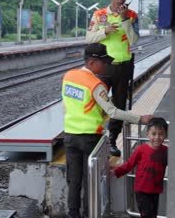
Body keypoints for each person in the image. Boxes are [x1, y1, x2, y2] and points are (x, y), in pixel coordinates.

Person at [62, 43, 152, 218]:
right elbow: (113, 112)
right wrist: (140, 119)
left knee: (74, 180)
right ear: (92, 63)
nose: (106, 66)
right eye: (104, 62)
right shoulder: (96, 85)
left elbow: (66, 106)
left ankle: (73, 214)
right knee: (91, 180)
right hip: (90, 138)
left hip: (70, 135)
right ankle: (90, 214)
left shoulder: (69, 76)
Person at [86, 0, 139, 157]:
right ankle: (93, 137)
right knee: (96, 101)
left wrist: (125, 21)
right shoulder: (99, 14)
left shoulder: (131, 15)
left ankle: (112, 140)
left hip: (123, 67)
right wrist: (104, 31)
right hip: (103, 67)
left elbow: (134, 40)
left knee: (119, 104)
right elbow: (88, 38)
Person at [112, 117, 168, 218]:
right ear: (148, 134)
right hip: (142, 190)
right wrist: (115, 172)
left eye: (161, 134)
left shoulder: (166, 151)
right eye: (154, 134)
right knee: (147, 215)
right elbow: (129, 164)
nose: (157, 137)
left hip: (155, 190)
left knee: (153, 214)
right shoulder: (141, 150)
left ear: (165, 135)